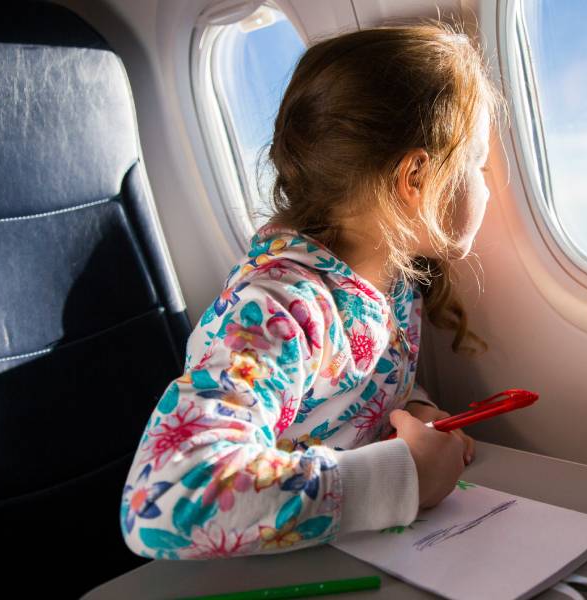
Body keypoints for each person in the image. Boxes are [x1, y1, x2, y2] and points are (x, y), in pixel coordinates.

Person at [120, 22, 501, 559]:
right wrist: (402, 478)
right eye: (479, 164)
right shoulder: (280, 309)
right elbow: (163, 500)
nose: (487, 184)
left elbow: (342, 405)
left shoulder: (390, 285)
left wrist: (412, 411)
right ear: (416, 177)